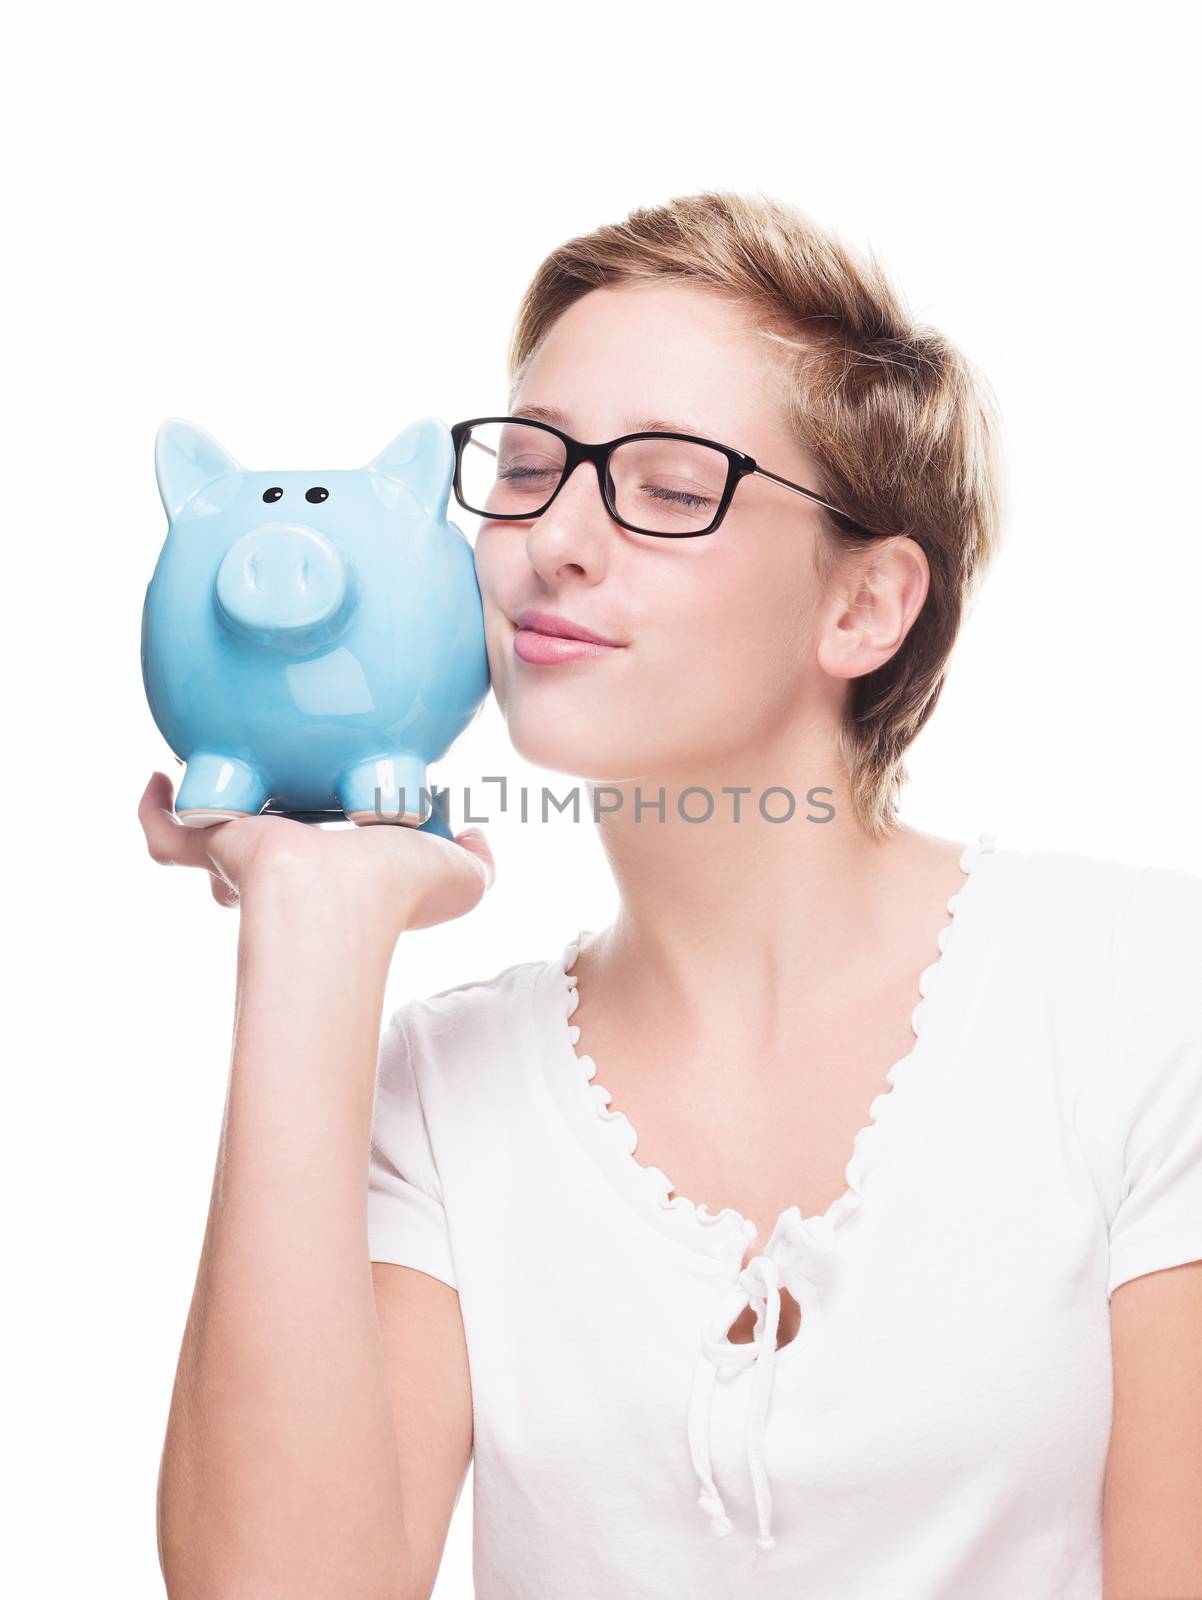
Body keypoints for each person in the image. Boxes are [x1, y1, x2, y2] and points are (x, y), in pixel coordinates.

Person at [141, 191, 1202, 1600]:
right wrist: (308, 920)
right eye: (524, 467)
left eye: (664, 483)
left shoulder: (1140, 993)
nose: (552, 542)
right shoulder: (442, 1095)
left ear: (863, 607)